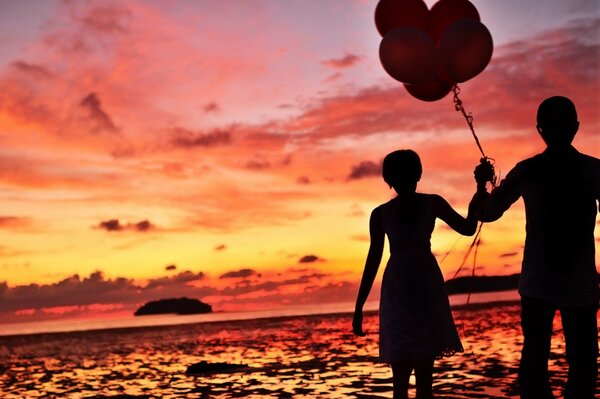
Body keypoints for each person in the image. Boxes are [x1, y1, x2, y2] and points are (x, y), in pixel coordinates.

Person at [473, 96, 599, 399]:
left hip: (537, 283)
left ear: (539, 130)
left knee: (534, 363)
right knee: (582, 365)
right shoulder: (593, 169)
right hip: (579, 282)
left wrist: (481, 186)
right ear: (577, 128)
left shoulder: (527, 170)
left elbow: (486, 214)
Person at [352, 149, 481, 399]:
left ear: (417, 175)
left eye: (406, 173)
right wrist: (358, 307)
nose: (403, 179)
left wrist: (478, 195)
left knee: (419, 375)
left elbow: (467, 228)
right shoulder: (381, 214)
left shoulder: (431, 203)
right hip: (402, 289)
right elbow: (373, 260)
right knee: (406, 373)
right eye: (399, 175)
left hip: (423, 287)